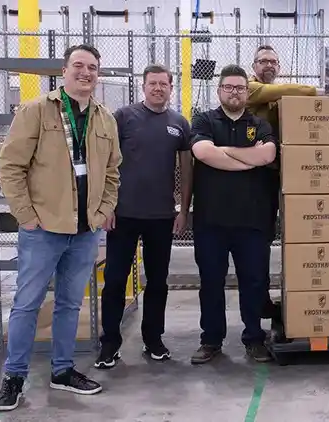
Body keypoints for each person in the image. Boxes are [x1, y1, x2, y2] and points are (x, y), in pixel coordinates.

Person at [0, 44, 122, 411]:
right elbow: (11, 166)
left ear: (98, 74)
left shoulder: (104, 119)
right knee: (27, 304)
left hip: (85, 230)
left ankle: (62, 371)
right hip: (43, 227)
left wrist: (104, 209)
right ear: (64, 71)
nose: (86, 73)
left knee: (70, 303)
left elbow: (113, 171)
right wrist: (25, 215)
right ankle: (14, 376)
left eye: (92, 68)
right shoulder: (36, 111)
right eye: (78, 66)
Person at [94, 64, 193, 369]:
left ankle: (154, 339)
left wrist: (184, 210)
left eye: (164, 84)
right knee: (114, 281)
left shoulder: (179, 123)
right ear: (143, 85)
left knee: (158, 281)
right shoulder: (123, 117)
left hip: (161, 216)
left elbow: (187, 169)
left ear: (171, 88)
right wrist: (106, 206)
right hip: (123, 215)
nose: (158, 88)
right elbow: (106, 163)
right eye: (152, 83)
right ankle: (110, 343)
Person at [189, 64, 277, 364]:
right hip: (210, 221)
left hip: (252, 221)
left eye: (240, 88)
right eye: (229, 87)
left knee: (253, 281)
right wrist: (248, 159)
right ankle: (211, 340)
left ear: (247, 91)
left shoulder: (260, 124)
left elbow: (268, 155)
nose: (235, 92)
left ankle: (254, 338)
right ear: (220, 90)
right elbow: (202, 153)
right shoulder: (203, 120)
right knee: (211, 281)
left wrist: (224, 153)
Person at [247, 45, 319, 320]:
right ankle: (259, 302)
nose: (269, 66)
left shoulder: (279, 99)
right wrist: (319, 90)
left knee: (288, 236)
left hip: (283, 173)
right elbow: (289, 92)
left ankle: (289, 297)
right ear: (254, 66)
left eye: (274, 62)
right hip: (255, 176)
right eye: (263, 61)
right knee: (258, 240)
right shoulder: (252, 89)